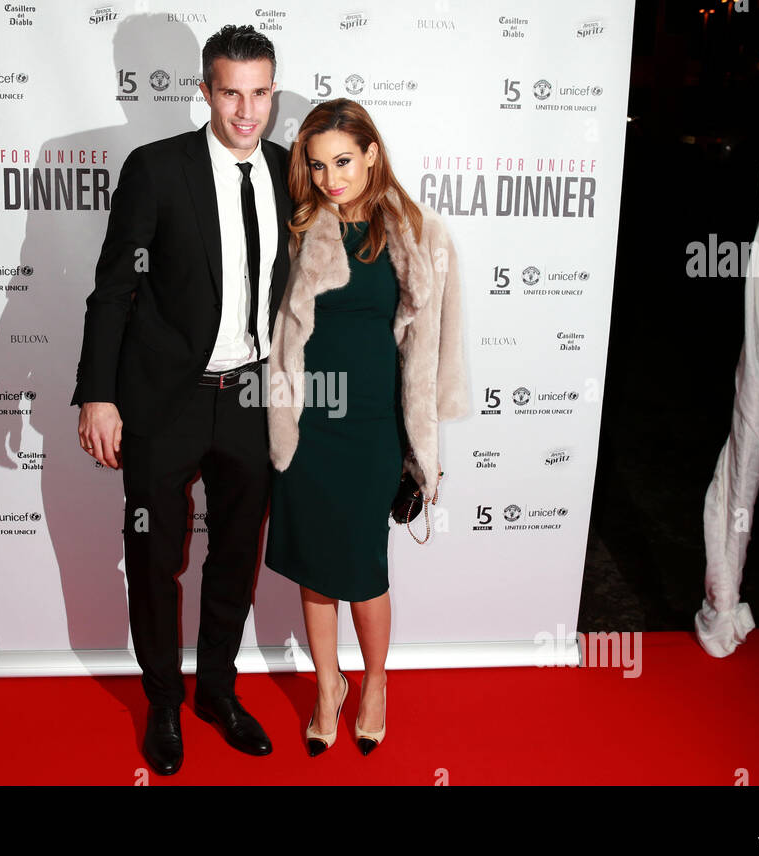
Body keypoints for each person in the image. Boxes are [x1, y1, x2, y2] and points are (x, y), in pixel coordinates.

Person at [72, 25, 291, 776]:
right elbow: (113, 289)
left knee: (235, 556)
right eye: (231, 91)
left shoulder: (291, 172)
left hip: (252, 397)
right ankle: (164, 701)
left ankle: (218, 692)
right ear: (204, 91)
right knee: (155, 556)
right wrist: (97, 393)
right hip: (164, 401)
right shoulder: (156, 170)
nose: (246, 110)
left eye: (261, 93)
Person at [265, 98, 469, 756]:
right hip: (307, 424)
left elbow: (438, 346)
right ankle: (328, 686)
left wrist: (425, 443)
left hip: (374, 428)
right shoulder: (299, 226)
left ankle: (375, 681)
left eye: (344, 161)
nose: (331, 177)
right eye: (319, 165)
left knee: (364, 569)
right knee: (314, 568)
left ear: (372, 154)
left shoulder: (417, 233)